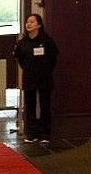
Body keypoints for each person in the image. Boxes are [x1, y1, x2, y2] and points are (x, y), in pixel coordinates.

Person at [14, 13, 58, 141]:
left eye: (32, 22)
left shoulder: (47, 41)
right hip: (29, 78)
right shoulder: (23, 43)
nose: (29, 24)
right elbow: (20, 59)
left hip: (45, 78)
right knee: (30, 106)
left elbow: (53, 59)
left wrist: (45, 70)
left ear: (39, 25)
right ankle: (31, 133)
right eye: (27, 22)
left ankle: (45, 133)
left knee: (45, 106)